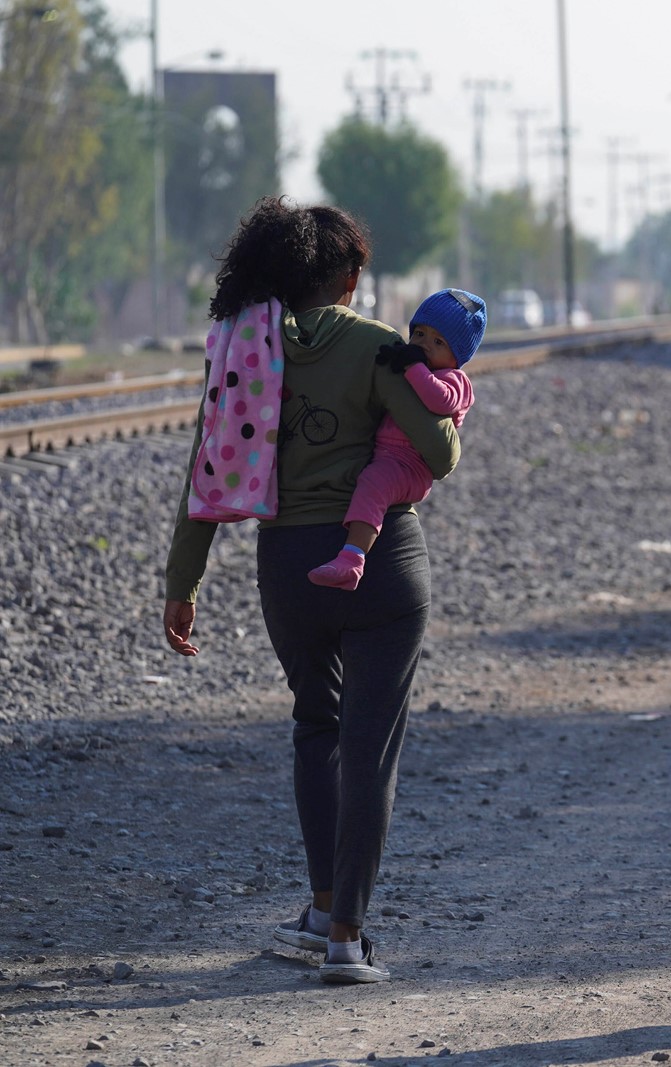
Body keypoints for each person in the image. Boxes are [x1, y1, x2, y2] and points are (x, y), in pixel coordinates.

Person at [162, 196, 461, 985]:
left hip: (287, 567)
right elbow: (438, 449)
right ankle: (346, 941)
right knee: (371, 747)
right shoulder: (378, 347)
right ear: (351, 276)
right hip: (380, 562)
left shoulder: (241, 349)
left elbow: (206, 465)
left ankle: (324, 903)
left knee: (315, 727)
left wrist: (180, 583)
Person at [308, 288, 482, 590]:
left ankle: (352, 560)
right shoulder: (415, 367)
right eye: (420, 334)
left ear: (457, 356)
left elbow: (439, 400)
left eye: (438, 342)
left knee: (375, 483)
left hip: (410, 466)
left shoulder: (456, 380)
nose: (425, 345)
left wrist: (412, 366)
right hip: (387, 454)